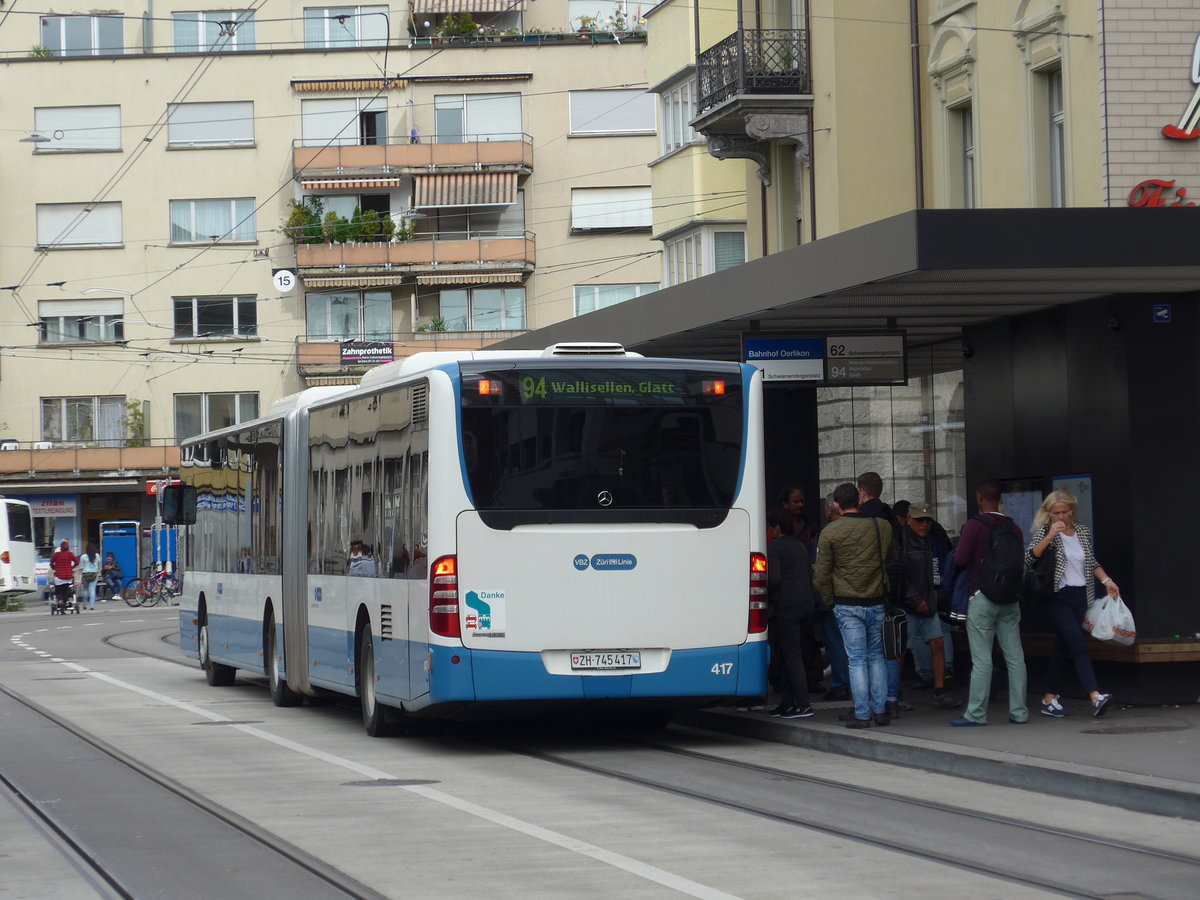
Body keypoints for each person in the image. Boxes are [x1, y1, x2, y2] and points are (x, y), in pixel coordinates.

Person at [1027, 490, 1117, 718]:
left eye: (1064, 512)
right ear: (1048, 513)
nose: (1060, 517)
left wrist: (1107, 580)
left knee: (1063, 647)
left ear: (1071, 511)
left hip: (1080, 596)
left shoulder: (1082, 532)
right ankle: (1095, 696)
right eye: (1056, 513)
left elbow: (1091, 561)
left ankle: (1049, 699)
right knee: (1077, 643)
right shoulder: (1044, 532)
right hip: (1057, 596)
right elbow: (1030, 557)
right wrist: (1049, 536)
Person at [813, 482, 892, 728]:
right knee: (877, 656)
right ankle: (880, 710)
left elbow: (822, 574)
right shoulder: (883, 527)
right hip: (876, 599)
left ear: (836, 504)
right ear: (860, 499)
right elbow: (886, 558)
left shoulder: (830, 533)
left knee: (856, 659)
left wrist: (829, 600)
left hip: (846, 603)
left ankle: (862, 713)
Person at [949, 482, 1028, 726]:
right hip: (1010, 598)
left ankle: (976, 714)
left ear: (979, 498)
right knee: (1015, 657)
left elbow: (961, 559)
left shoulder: (974, 525)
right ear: (1000, 500)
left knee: (982, 659)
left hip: (982, 597)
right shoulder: (1013, 527)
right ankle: (1019, 712)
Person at [856, 471, 908, 718]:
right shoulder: (890, 517)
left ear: (862, 492)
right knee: (888, 646)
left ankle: (868, 703)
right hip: (892, 586)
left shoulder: (861, 518)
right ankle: (891, 698)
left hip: (868, 588)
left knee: (865, 652)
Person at [898, 504, 960, 709]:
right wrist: (917, 600)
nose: (925, 524)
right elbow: (900, 577)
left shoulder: (929, 539)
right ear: (909, 520)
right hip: (910, 605)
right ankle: (895, 694)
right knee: (902, 651)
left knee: (938, 644)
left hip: (927, 600)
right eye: (919, 520)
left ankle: (939, 691)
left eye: (927, 520)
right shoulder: (901, 542)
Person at [765, 507, 817, 718]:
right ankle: (787, 703)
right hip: (806, 604)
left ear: (777, 528)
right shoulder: (800, 546)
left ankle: (802, 704)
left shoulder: (774, 548)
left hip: (787, 607)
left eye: (770, 527)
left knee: (790, 656)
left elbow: (774, 579)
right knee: (790, 655)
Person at [816, 493, 851, 701]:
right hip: (854, 595)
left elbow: (820, 570)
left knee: (836, 643)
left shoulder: (827, 532)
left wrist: (825, 598)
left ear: (831, 509)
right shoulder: (861, 528)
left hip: (833, 597)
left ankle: (840, 684)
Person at [50, 540, 79, 611]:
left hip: (59, 576)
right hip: (68, 576)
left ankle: (60, 602)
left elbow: (51, 563)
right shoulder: (70, 554)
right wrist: (72, 567)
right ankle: (65, 601)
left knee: (58, 591)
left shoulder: (56, 555)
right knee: (66, 590)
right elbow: (77, 562)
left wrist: (55, 568)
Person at [78, 542, 100, 610]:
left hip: (85, 573)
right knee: (92, 589)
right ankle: (92, 606)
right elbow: (99, 565)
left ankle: (84, 605)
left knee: (85, 589)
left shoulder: (83, 556)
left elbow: (81, 567)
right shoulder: (97, 556)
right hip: (94, 573)